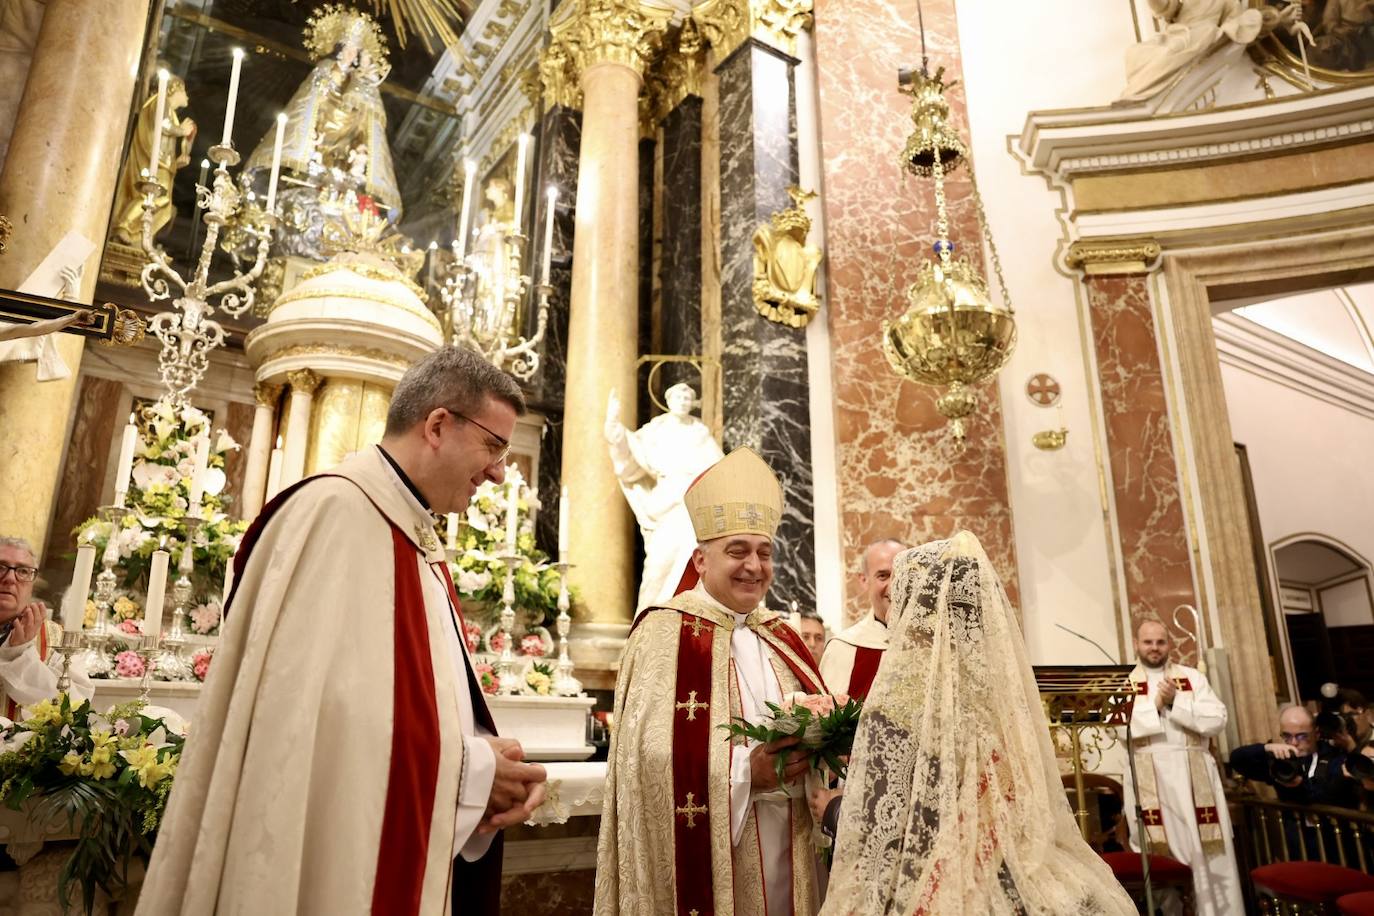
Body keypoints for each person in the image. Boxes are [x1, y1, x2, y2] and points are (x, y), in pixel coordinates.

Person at [137, 347, 548, 916]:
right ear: (436, 426)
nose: (500, 472)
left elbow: (389, 703)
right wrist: (474, 772)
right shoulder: (333, 514)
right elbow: (305, 731)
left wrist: (478, 749)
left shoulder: (415, 535)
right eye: (493, 446)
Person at [821, 532, 1135, 915]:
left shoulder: (900, 694)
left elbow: (883, 827)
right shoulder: (997, 685)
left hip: (930, 883)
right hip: (1011, 870)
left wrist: (832, 812)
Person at [595, 447, 827, 916]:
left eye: (764, 553)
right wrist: (746, 772)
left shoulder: (782, 636)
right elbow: (647, 758)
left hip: (796, 845)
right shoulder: (663, 631)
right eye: (737, 551)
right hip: (722, 855)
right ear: (700, 561)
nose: (754, 566)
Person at [1121, 619, 1243, 916]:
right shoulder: (1124, 683)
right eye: (1148, 642)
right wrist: (1155, 705)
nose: (1154, 648)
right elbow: (1116, 727)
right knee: (1157, 854)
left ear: (1169, 644)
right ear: (1136, 644)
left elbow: (1217, 719)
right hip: (1150, 779)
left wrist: (1176, 704)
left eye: (1160, 642)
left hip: (1194, 777)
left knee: (1207, 852)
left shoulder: (1192, 678)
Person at [604, 381, 724, 613]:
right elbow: (629, 452)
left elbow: (720, 468)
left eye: (687, 398)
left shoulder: (700, 432)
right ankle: (649, 623)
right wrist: (614, 427)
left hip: (695, 505)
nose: (683, 402)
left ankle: (689, 624)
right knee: (659, 565)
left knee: (698, 564)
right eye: (678, 398)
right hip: (667, 504)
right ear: (668, 401)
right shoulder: (656, 430)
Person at [0, 536, 92, 716]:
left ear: (33, 583)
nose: (10, 578)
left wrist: (20, 655)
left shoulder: (56, 638)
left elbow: (76, 706)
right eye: (0, 567)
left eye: (23, 571)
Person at [819, 538, 904, 700]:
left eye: (902, 574)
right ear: (864, 580)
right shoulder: (842, 648)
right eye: (883, 575)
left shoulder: (934, 642)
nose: (895, 586)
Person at [1230, 704, 1360, 808]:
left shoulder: (1334, 757)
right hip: (1295, 837)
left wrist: (1299, 786)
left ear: (1317, 734)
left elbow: (1327, 798)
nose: (1293, 743)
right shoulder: (1280, 760)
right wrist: (1266, 748)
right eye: (1286, 736)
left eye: (1302, 736)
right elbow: (1237, 760)